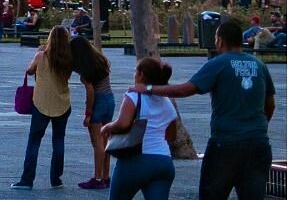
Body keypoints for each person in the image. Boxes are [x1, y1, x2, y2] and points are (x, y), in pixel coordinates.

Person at [145, 17, 276, 200]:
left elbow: (185, 89)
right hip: (258, 144)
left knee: (212, 193)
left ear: (220, 40)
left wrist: (149, 88)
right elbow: (270, 105)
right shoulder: (260, 66)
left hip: (226, 144)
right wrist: (257, 128)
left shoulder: (218, 64)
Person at [100, 57, 178, 200]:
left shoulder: (134, 96)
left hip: (136, 160)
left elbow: (123, 123)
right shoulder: (168, 102)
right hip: (163, 162)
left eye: (135, 71)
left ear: (141, 74)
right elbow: (171, 136)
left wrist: (107, 127)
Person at [16, 25, 77, 189]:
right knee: (58, 141)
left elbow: (29, 71)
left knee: (34, 141)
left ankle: (27, 179)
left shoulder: (41, 56)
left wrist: (39, 52)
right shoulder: (69, 59)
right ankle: (56, 178)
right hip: (62, 102)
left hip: (41, 103)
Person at [72, 33, 115, 189]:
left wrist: (88, 114)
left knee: (97, 142)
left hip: (99, 101)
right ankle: (105, 177)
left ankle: (97, 179)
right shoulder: (101, 60)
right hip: (110, 99)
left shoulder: (87, 68)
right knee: (105, 140)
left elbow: (90, 92)